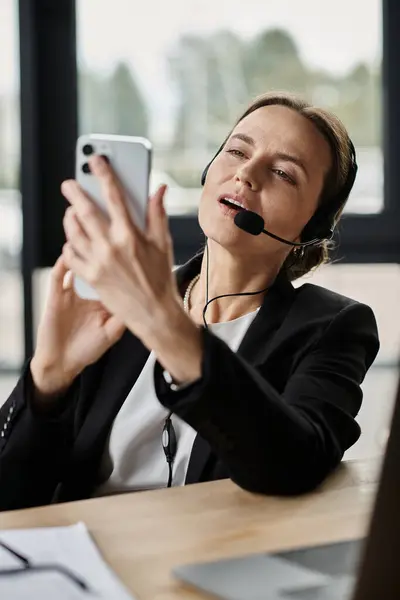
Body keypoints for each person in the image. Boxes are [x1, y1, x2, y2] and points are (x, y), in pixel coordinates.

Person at [0, 92, 379, 511]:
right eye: (236, 151)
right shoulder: (115, 306)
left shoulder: (334, 326)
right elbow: (12, 496)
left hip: (209, 563)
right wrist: (49, 377)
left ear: (315, 223)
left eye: (284, 173)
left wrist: (162, 322)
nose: (247, 174)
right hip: (83, 557)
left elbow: (295, 464)